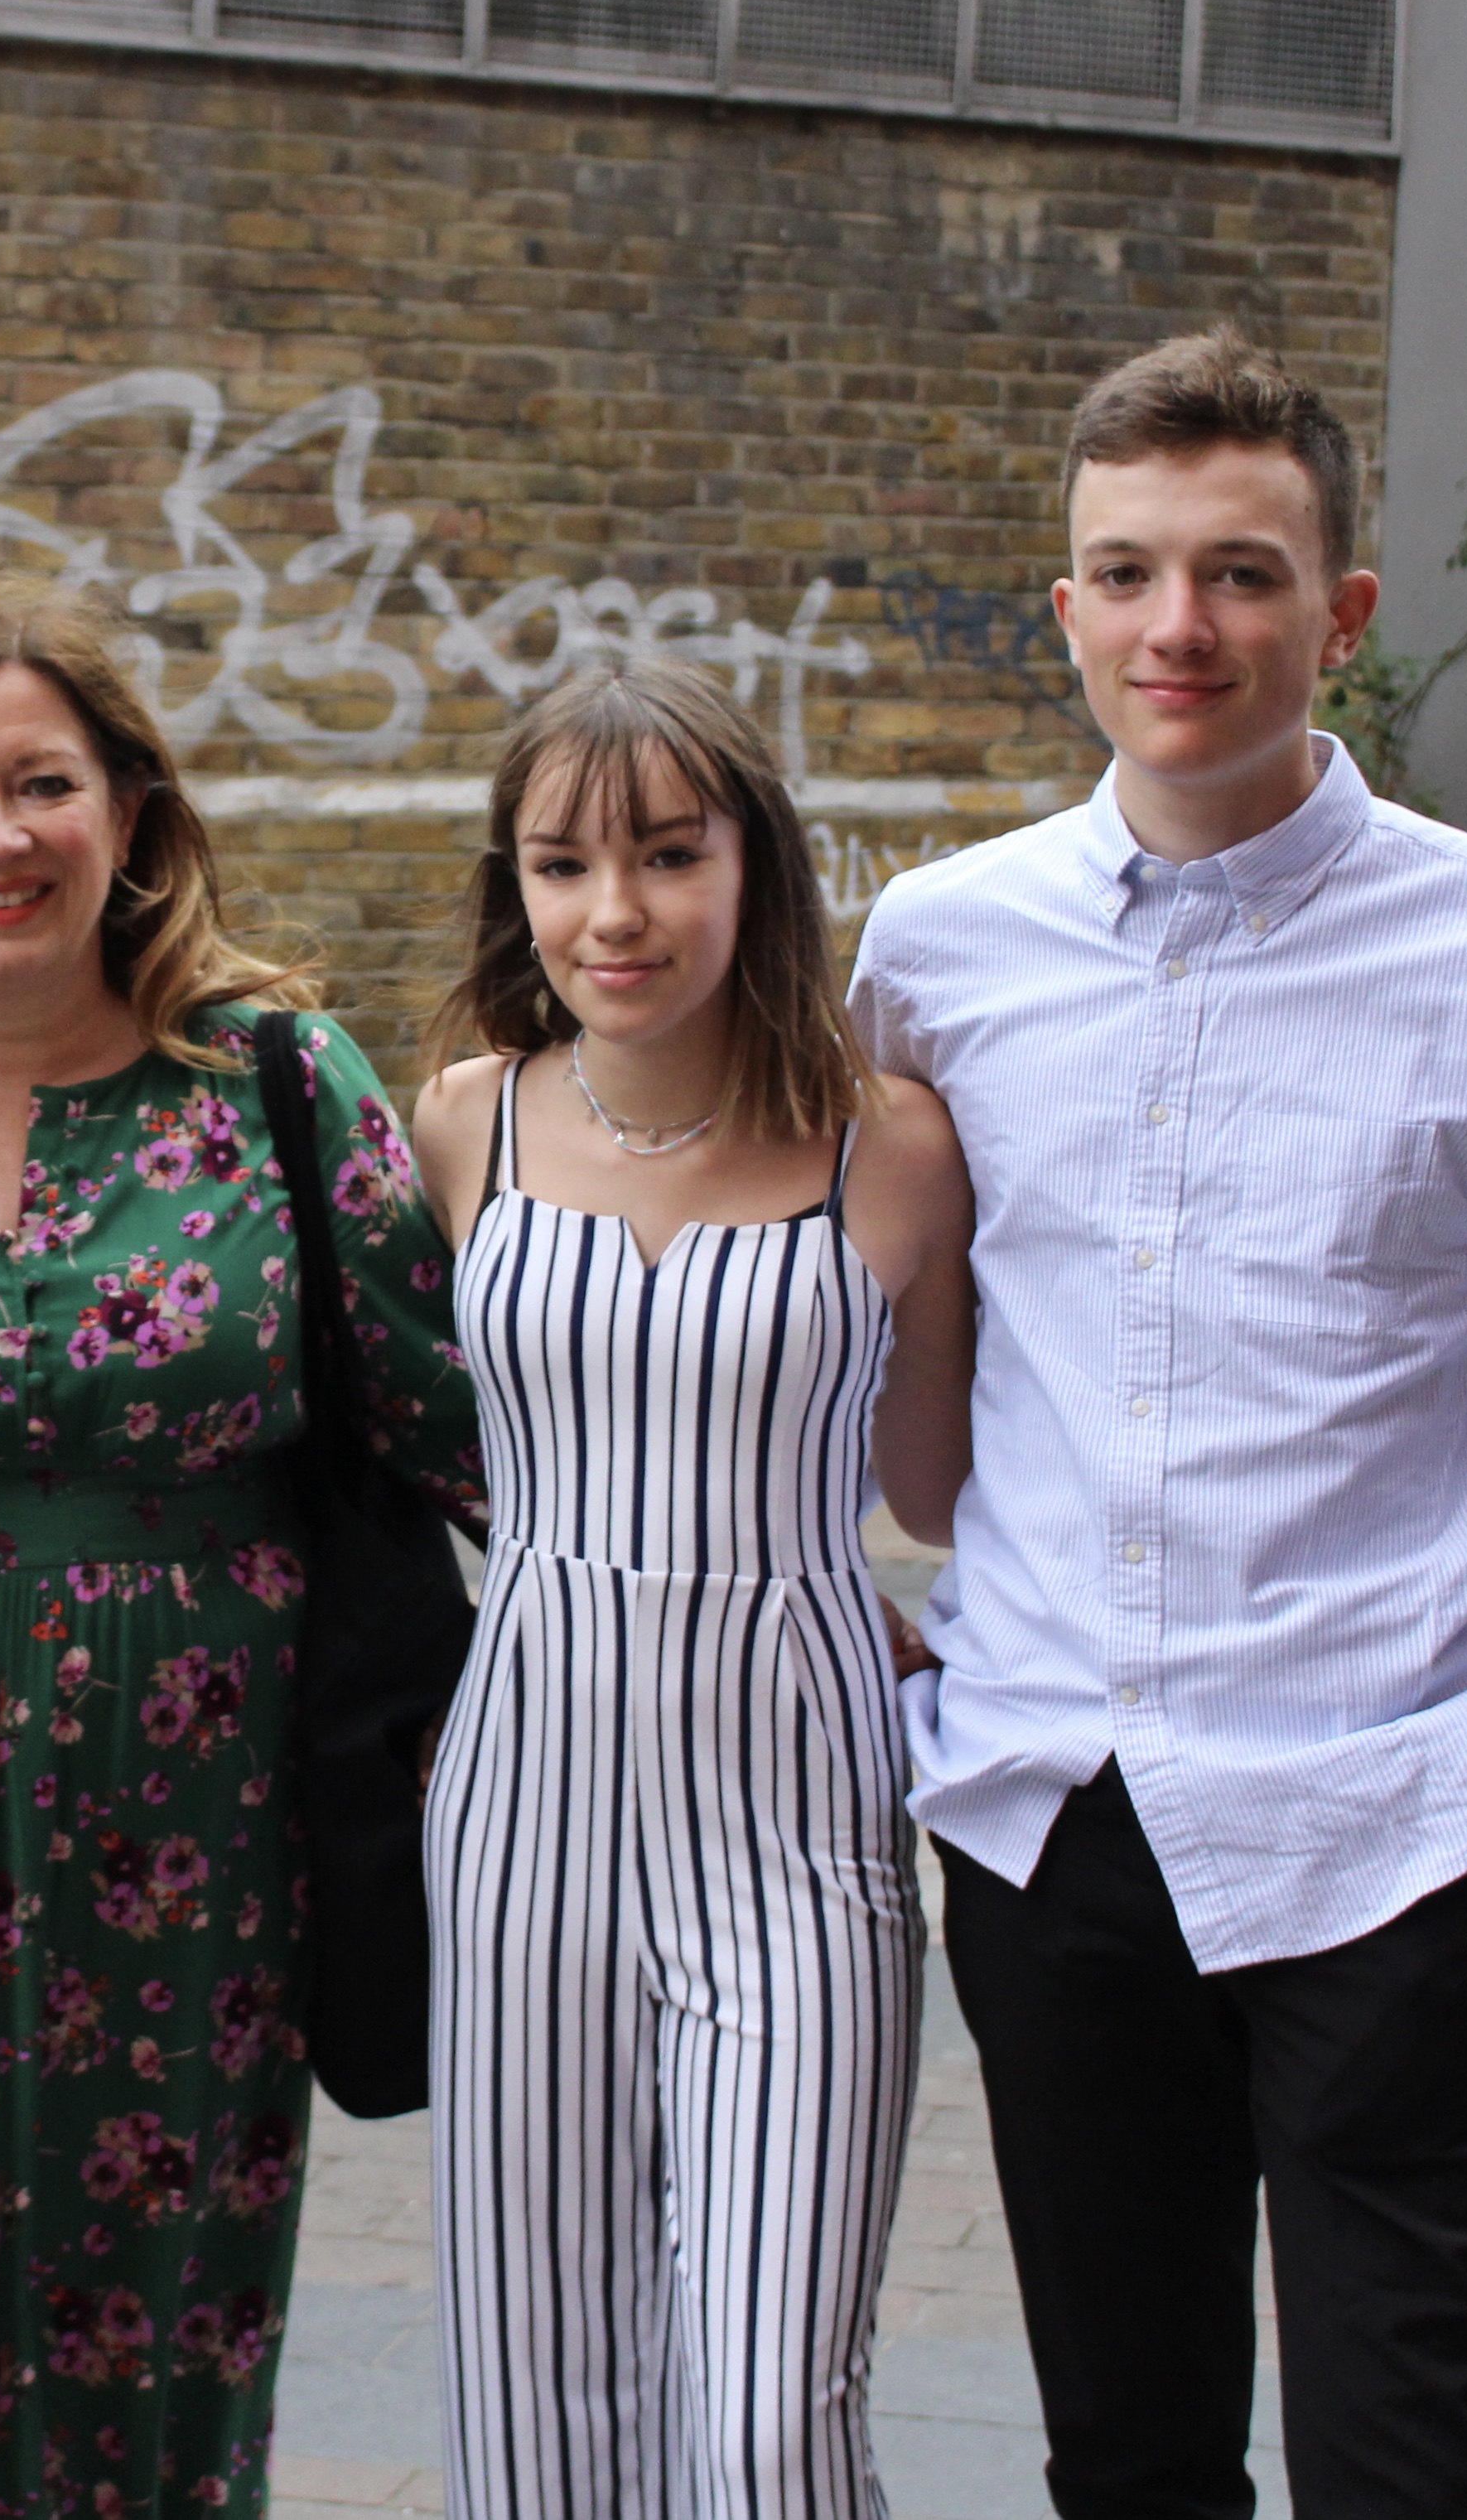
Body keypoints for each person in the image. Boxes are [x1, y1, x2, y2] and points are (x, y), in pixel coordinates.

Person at [851, 326, 1467, 2518]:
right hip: (1056, 1820)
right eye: (1130, 571)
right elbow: (856, 1338)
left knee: (1403, 2466)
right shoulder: (930, 952)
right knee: (1131, 2456)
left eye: (1243, 573)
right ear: (1064, 602)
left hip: (1395, 1829)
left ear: (1339, 611)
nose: (1185, 626)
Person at [0, 571, 480, 2518]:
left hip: (204, 1843)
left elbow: (472, 1426)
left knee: (166, 2353)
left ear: (128, 808)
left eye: (40, 782)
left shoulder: (280, 1087)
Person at [406, 658, 972, 2517]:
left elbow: (944, 1482)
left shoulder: (886, 1142)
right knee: (535, 2389)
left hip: (798, 1810)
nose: (615, 911)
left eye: (666, 852)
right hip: (521, 1801)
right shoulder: (465, 1119)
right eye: (562, 862)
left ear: (756, 866)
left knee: (768, 2413)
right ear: (516, 883)